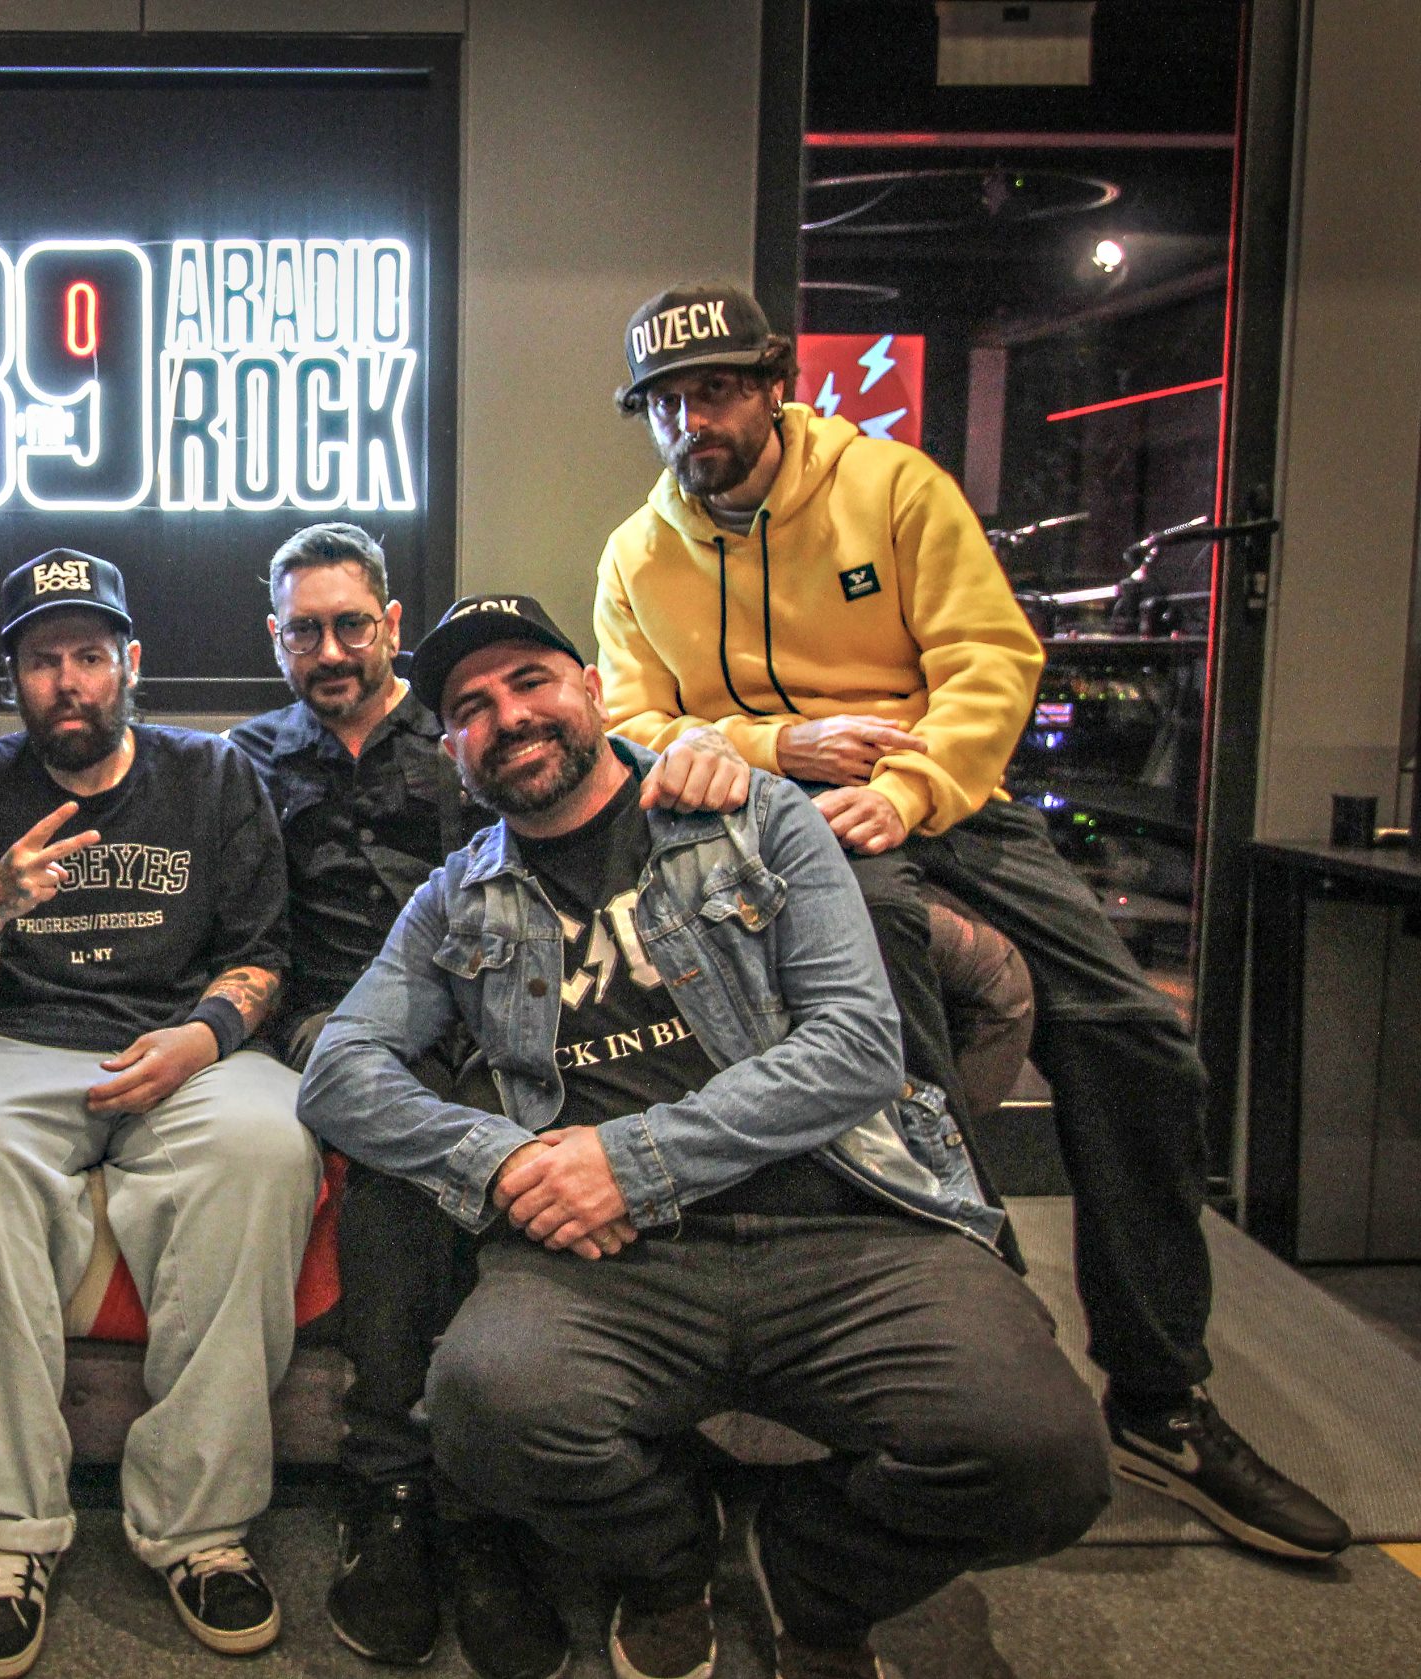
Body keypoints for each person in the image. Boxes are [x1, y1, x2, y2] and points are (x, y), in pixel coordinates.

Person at [590, 280, 1348, 1561]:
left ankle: (1157, 1396)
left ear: (771, 384)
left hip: (941, 795)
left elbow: (991, 660)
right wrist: (779, 746)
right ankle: (971, 1312)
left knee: (1136, 1041)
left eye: (711, 390)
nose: (688, 422)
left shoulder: (891, 487)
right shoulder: (636, 550)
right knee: (894, 1019)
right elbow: (633, 721)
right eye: (664, 402)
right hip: (774, 817)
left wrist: (906, 789)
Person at [301, 594, 1112, 1679]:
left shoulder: (758, 818)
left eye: (531, 680)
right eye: (471, 706)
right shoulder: (459, 897)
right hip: (608, 1265)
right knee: (484, 1406)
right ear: (452, 749)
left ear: (594, 690)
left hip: (842, 1224)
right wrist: (506, 1159)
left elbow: (857, 1045)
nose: (508, 715)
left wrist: (630, 1161)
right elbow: (340, 1069)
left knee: (1048, 1454)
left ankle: (810, 1575)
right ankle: (668, 1558)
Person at [228, 523, 747, 1677]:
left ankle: (473, 1498)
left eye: (349, 624)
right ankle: (396, 1492)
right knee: (400, 1120)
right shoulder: (241, 763)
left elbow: (592, 801)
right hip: (331, 1018)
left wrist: (705, 743)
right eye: (304, 631)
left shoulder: (470, 730)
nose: (330, 649)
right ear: (275, 640)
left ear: (389, 625)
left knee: (481, 1102)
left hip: (496, 1004)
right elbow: (245, 937)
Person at [0, 551, 317, 1679]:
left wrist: (201, 1038)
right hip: (8, 1046)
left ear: (131, 663)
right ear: (12, 679)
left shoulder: (212, 775)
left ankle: (200, 1526)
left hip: (182, 1044)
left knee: (269, 1141)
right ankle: (5, 1534)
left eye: (90, 655)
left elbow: (262, 957)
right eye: (44, 660)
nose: (69, 680)